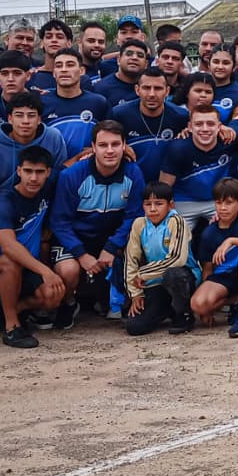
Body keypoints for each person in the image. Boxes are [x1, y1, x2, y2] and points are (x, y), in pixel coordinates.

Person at [50, 121, 146, 327]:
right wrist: (81, 254)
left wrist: (112, 247)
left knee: (144, 250)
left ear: (124, 146)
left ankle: (120, 299)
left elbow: (134, 217)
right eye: (103, 145)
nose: (110, 151)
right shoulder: (71, 175)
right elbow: (60, 221)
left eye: (115, 144)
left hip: (112, 237)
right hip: (76, 237)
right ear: (93, 147)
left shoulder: (134, 173)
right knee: (68, 270)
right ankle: (68, 303)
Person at [0, 146, 66, 349]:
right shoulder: (3, 201)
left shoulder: (48, 186)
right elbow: (8, 245)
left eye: (40, 172)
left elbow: (71, 163)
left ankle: (7, 309)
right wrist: (45, 271)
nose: (33, 178)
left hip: (26, 269)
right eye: (28, 171)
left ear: (48, 173)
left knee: (53, 296)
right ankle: (12, 327)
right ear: (19, 171)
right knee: (10, 259)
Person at [0, 91, 69, 252]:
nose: (25, 121)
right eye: (19, 115)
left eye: (31, 116)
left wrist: (52, 222)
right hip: (3, 214)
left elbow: (60, 181)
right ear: (10, 118)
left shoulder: (53, 138)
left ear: (39, 119)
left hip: (41, 212)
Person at [159, 105, 238, 241]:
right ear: (190, 127)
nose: (205, 129)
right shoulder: (177, 148)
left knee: (234, 236)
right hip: (184, 201)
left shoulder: (229, 138)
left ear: (220, 126)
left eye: (211, 124)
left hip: (218, 200)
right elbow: (164, 187)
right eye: (199, 124)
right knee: (171, 242)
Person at [191, 178, 238, 336]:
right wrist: (209, 308)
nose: (223, 208)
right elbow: (208, 270)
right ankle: (236, 300)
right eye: (219, 203)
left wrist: (231, 240)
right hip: (224, 277)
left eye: (228, 202)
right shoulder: (209, 232)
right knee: (198, 304)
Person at [123, 183, 200, 336]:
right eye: (147, 204)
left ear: (170, 204)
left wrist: (143, 273)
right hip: (154, 282)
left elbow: (177, 259)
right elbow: (131, 259)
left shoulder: (177, 222)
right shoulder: (140, 224)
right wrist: (135, 294)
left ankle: (183, 314)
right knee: (134, 326)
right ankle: (167, 308)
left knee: (174, 275)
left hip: (183, 277)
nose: (152, 209)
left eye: (159, 204)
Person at [113, 70, 190, 183]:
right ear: (137, 90)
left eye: (158, 88)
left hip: (168, 187)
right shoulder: (119, 114)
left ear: (167, 91)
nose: (152, 94)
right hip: (130, 183)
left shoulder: (181, 116)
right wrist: (122, 147)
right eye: (146, 88)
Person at [41, 48, 111, 158]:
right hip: (50, 169)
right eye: (59, 66)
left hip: (87, 168)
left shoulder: (98, 103)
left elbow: (109, 137)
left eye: (70, 65)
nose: (64, 70)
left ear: (82, 71)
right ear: (54, 73)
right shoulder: (42, 103)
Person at [93, 40, 150, 108]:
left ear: (146, 64)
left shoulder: (151, 88)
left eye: (140, 55)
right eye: (129, 54)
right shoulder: (101, 89)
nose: (134, 58)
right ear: (119, 60)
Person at [27, 19, 75, 93]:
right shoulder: (30, 76)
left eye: (59, 37)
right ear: (41, 43)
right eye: (49, 37)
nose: (54, 40)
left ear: (69, 43)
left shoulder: (78, 76)